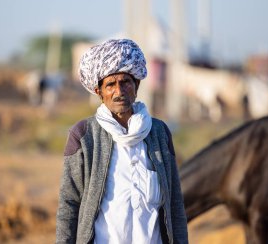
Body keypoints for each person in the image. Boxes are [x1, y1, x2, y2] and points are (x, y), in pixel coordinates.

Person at [56, 39, 188, 244]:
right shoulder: (83, 135)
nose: (119, 91)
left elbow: (175, 203)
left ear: (136, 85)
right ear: (99, 92)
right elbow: (69, 204)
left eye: (125, 82)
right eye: (110, 84)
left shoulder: (159, 132)